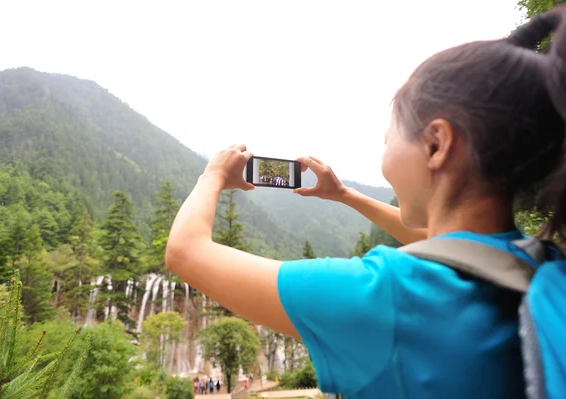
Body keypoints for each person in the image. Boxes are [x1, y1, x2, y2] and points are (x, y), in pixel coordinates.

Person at [165, 7, 566, 399]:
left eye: (389, 135)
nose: (385, 145)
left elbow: (186, 251)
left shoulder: (383, 294)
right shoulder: (541, 267)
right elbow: (454, 246)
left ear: (436, 144)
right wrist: (343, 195)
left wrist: (212, 175)